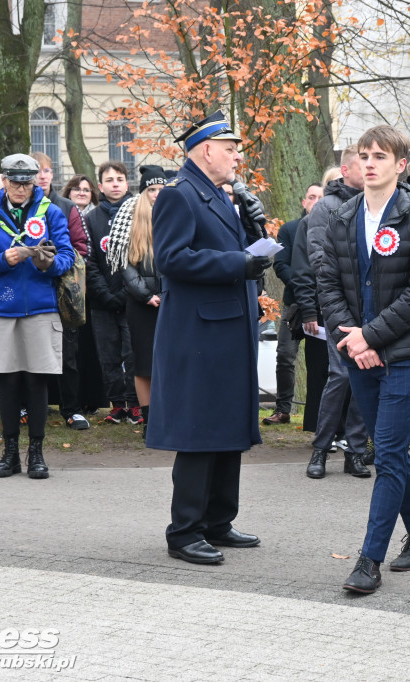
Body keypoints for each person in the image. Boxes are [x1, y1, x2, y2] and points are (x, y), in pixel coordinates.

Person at [317, 124, 410, 594]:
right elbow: (327, 283)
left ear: (400, 165)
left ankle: (369, 559)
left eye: (380, 156)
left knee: (386, 452)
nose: (369, 163)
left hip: (403, 353)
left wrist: (372, 336)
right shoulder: (342, 217)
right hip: (357, 353)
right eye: (363, 155)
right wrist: (352, 340)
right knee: (389, 450)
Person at [148, 112, 271, 565]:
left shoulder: (219, 195)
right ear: (206, 151)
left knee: (226, 425)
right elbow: (173, 259)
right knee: (200, 429)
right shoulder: (181, 196)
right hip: (199, 331)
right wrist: (238, 263)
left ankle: (218, 521)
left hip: (228, 326)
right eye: (231, 148)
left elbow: (235, 251)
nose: (237, 155)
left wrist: (256, 234)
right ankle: (184, 531)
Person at [0, 153, 75, 479]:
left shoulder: (52, 212)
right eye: (14, 182)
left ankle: (37, 453)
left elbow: (68, 257)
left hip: (42, 307)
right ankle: (11, 453)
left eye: (26, 182)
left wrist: (48, 263)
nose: (20, 188)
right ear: (3, 180)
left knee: (36, 381)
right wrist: (5, 258)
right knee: (9, 381)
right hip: (3, 306)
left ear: (35, 182)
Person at [294, 148, 370, 476]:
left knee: (364, 377)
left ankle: (355, 450)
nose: (369, 170)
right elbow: (319, 259)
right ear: (345, 169)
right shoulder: (326, 206)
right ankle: (321, 449)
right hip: (339, 304)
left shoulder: (378, 203)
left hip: (371, 307)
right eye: (361, 164)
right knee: (340, 375)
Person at [31, 152, 92, 431]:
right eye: (37, 171)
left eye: (47, 170)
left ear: (52, 174)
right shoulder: (19, 207)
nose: (42, 176)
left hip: (62, 291)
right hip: (29, 289)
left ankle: (72, 408)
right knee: (29, 353)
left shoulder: (67, 207)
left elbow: (82, 249)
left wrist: (58, 260)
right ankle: (30, 406)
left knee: (67, 352)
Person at [110, 167, 167, 439]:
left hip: (172, 302)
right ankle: (148, 421)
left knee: (170, 361)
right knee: (143, 365)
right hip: (142, 304)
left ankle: (168, 416)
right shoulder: (129, 217)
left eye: (160, 189)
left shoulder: (174, 215)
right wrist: (147, 295)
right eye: (151, 190)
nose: (156, 194)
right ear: (144, 191)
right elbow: (125, 266)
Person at [262, 182, 323, 425]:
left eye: (321, 196)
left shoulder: (333, 227)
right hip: (295, 305)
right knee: (285, 355)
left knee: (320, 362)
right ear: (304, 202)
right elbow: (281, 265)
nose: (316, 201)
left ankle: (318, 413)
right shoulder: (289, 229)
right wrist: (302, 287)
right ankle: (283, 409)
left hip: (322, 305)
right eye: (311, 196)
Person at [84, 161, 139, 425]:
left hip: (134, 300)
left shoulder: (140, 213)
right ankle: (117, 404)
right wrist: (105, 294)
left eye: (119, 179)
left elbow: (142, 258)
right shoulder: (91, 219)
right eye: (109, 180)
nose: (115, 184)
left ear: (127, 183)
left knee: (134, 353)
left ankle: (136, 403)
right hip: (102, 300)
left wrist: (129, 292)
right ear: (100, 186)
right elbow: (89, 260)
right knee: (109, 355)